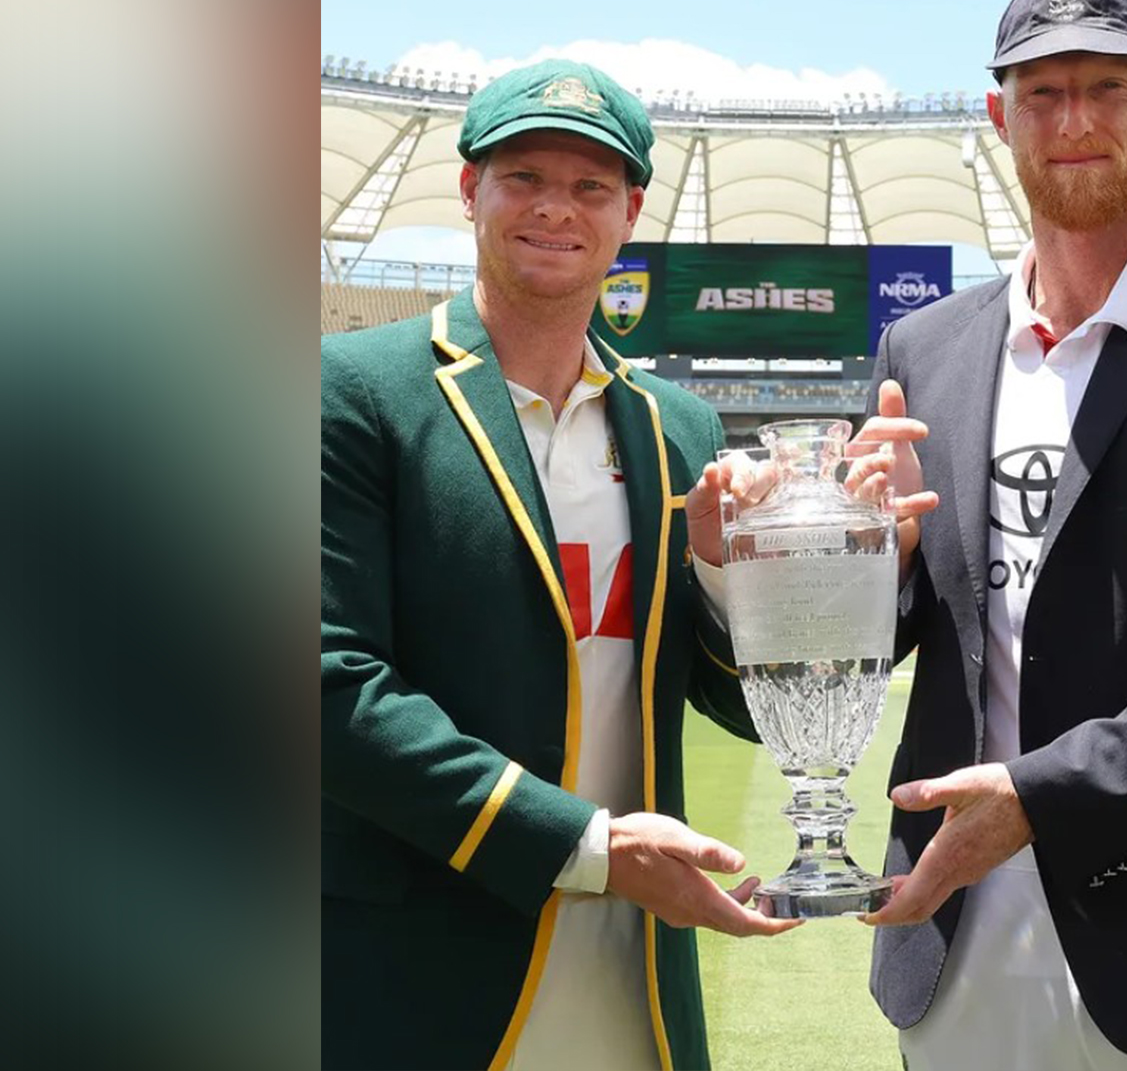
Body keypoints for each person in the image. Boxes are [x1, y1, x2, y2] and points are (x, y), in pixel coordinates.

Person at [321, 59, 799, 1071]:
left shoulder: (679, 426)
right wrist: (588, 849)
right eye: (524, 177)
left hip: (634, 976)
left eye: (590, 186)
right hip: (420, 973)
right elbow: (328, 686)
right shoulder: (349, 390)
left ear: (630, 214)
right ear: (469, 191)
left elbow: (749, 709)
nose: (555, 209)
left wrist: (731, 577)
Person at [852, 0, 1127, 1069]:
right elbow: (883, 632)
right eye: (1041, 93)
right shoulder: (923, 350)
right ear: (999, 119)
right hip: (956, 943)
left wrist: (1041, 798)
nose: (1074, 121)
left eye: (1107, 88)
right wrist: (829, 566)